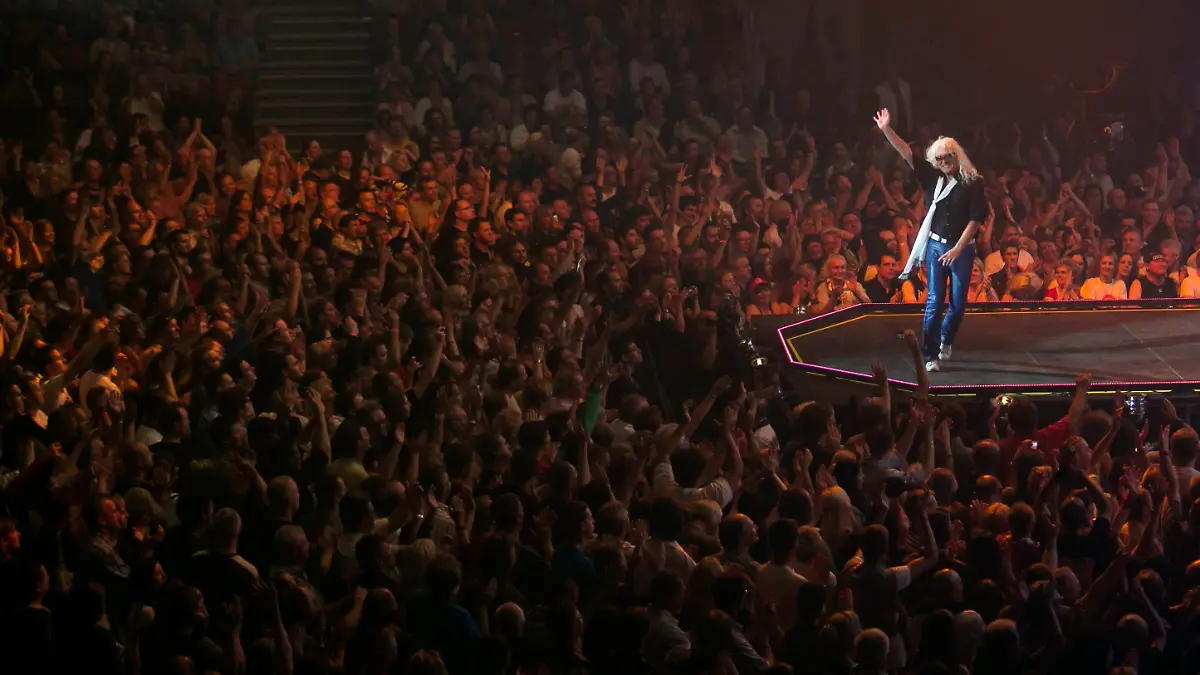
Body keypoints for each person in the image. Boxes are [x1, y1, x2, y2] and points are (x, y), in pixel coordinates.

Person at [875, 109, 988, 372]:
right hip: (937, 245)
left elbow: (976, 219)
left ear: (955, 156)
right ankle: (930, 354)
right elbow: (906, 152)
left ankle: (946, 340)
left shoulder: (972, 182)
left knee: (958, 304)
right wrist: (886, 130)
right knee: (934, 300)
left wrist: (959, 249)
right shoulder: (932, 177)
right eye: (938, 159)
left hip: (962, 248)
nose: (943, 162)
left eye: (947, 157)